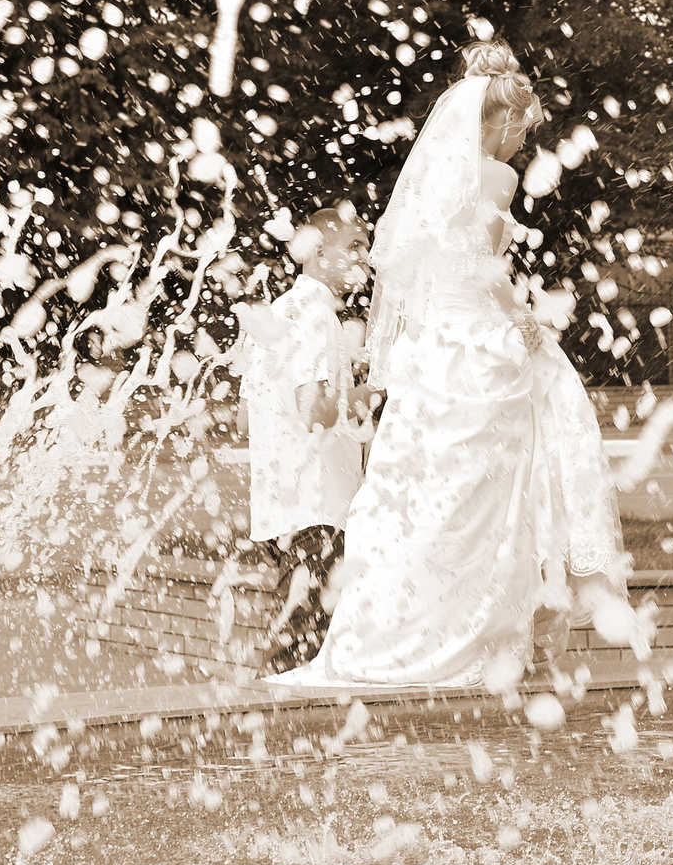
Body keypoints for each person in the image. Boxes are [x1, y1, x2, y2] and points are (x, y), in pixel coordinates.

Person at [272, 40, 650, 691]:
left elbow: (414, 272)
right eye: (521, 131)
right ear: (499, 120)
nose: (520, 146)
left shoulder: (430, 184)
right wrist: (525, 319)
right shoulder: (493, 175)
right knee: (523, 457)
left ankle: (388, 629)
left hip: (432, 350)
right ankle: (501, 624)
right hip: (479, 341)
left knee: (419, 497)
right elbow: (484, 265)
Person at [237, 200, 374, 670]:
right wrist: (370, 393)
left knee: (301, 630)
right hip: (319, 500)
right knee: (296, 646)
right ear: (316, 251)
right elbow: (314, 411)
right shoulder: (318, 315)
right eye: (353, 246)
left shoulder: (275, 311)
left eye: (366, 248)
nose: (364, 257)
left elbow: (244, 419)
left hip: (282, 502)